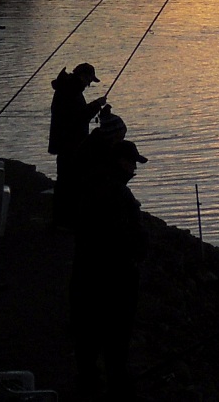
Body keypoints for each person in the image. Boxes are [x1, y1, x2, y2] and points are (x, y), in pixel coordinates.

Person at [70, 138, 149, 399]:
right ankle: (116, 385)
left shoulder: (90, 183)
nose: (133, 170)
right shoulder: (118, 194)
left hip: (85, 272)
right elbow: (124, 237)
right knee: (116, 335)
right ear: (120, 162)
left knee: (88, 332)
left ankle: (89, 382)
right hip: (115, 276)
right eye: (131, 164)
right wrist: (137, 252)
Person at [47, 62, 107, 229]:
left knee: (65, 182)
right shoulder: (71, 91)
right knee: (70, 183)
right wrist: (97, 104)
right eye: (89, 80)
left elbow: (77, 115)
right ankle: (65, 222)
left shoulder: (68, 88)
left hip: (65, 143)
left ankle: (62, 220)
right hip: (70, 144)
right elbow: (79, 117)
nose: (88, 84)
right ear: (83, 76)